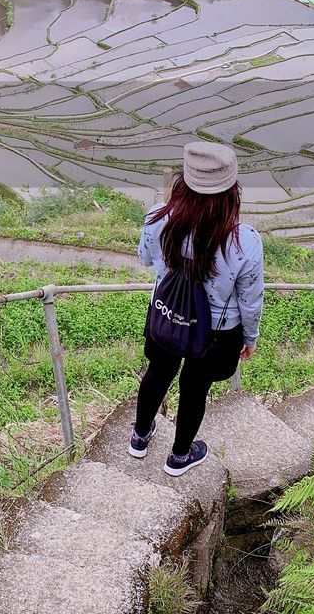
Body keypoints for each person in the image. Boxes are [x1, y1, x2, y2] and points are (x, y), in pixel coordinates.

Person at [129, 141, 264, 476]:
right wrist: (250, 337)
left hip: (168, 315)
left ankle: (139, 437)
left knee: (157, 372)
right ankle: (178, 456)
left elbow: (145, 259)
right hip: (216, 332)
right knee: (195, 387)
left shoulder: (157, 218)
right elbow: (250, 298)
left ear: (184, 182)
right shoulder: (244, 240)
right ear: (232, 190)